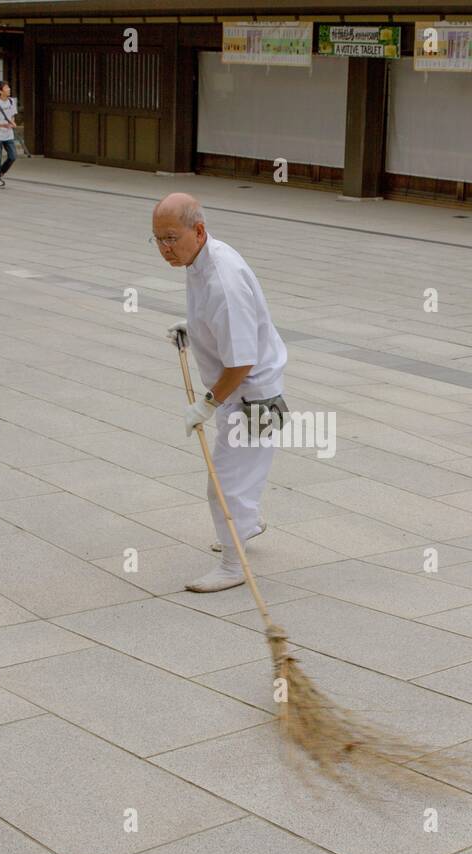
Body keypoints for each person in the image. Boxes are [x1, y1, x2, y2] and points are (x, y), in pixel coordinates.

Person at [153, 193, 288, 592]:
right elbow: (220, 323)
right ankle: (246, 525)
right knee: (239, 474)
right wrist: (193, 327)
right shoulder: (203, 256)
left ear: (198, 230)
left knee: (223, 486)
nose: (165, 249)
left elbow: (241, 359)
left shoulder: (223, 279)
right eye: (157, 239)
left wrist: (205, 403)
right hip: (241, 396)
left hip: (253, 401)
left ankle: (234, 565)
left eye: (171, 238)